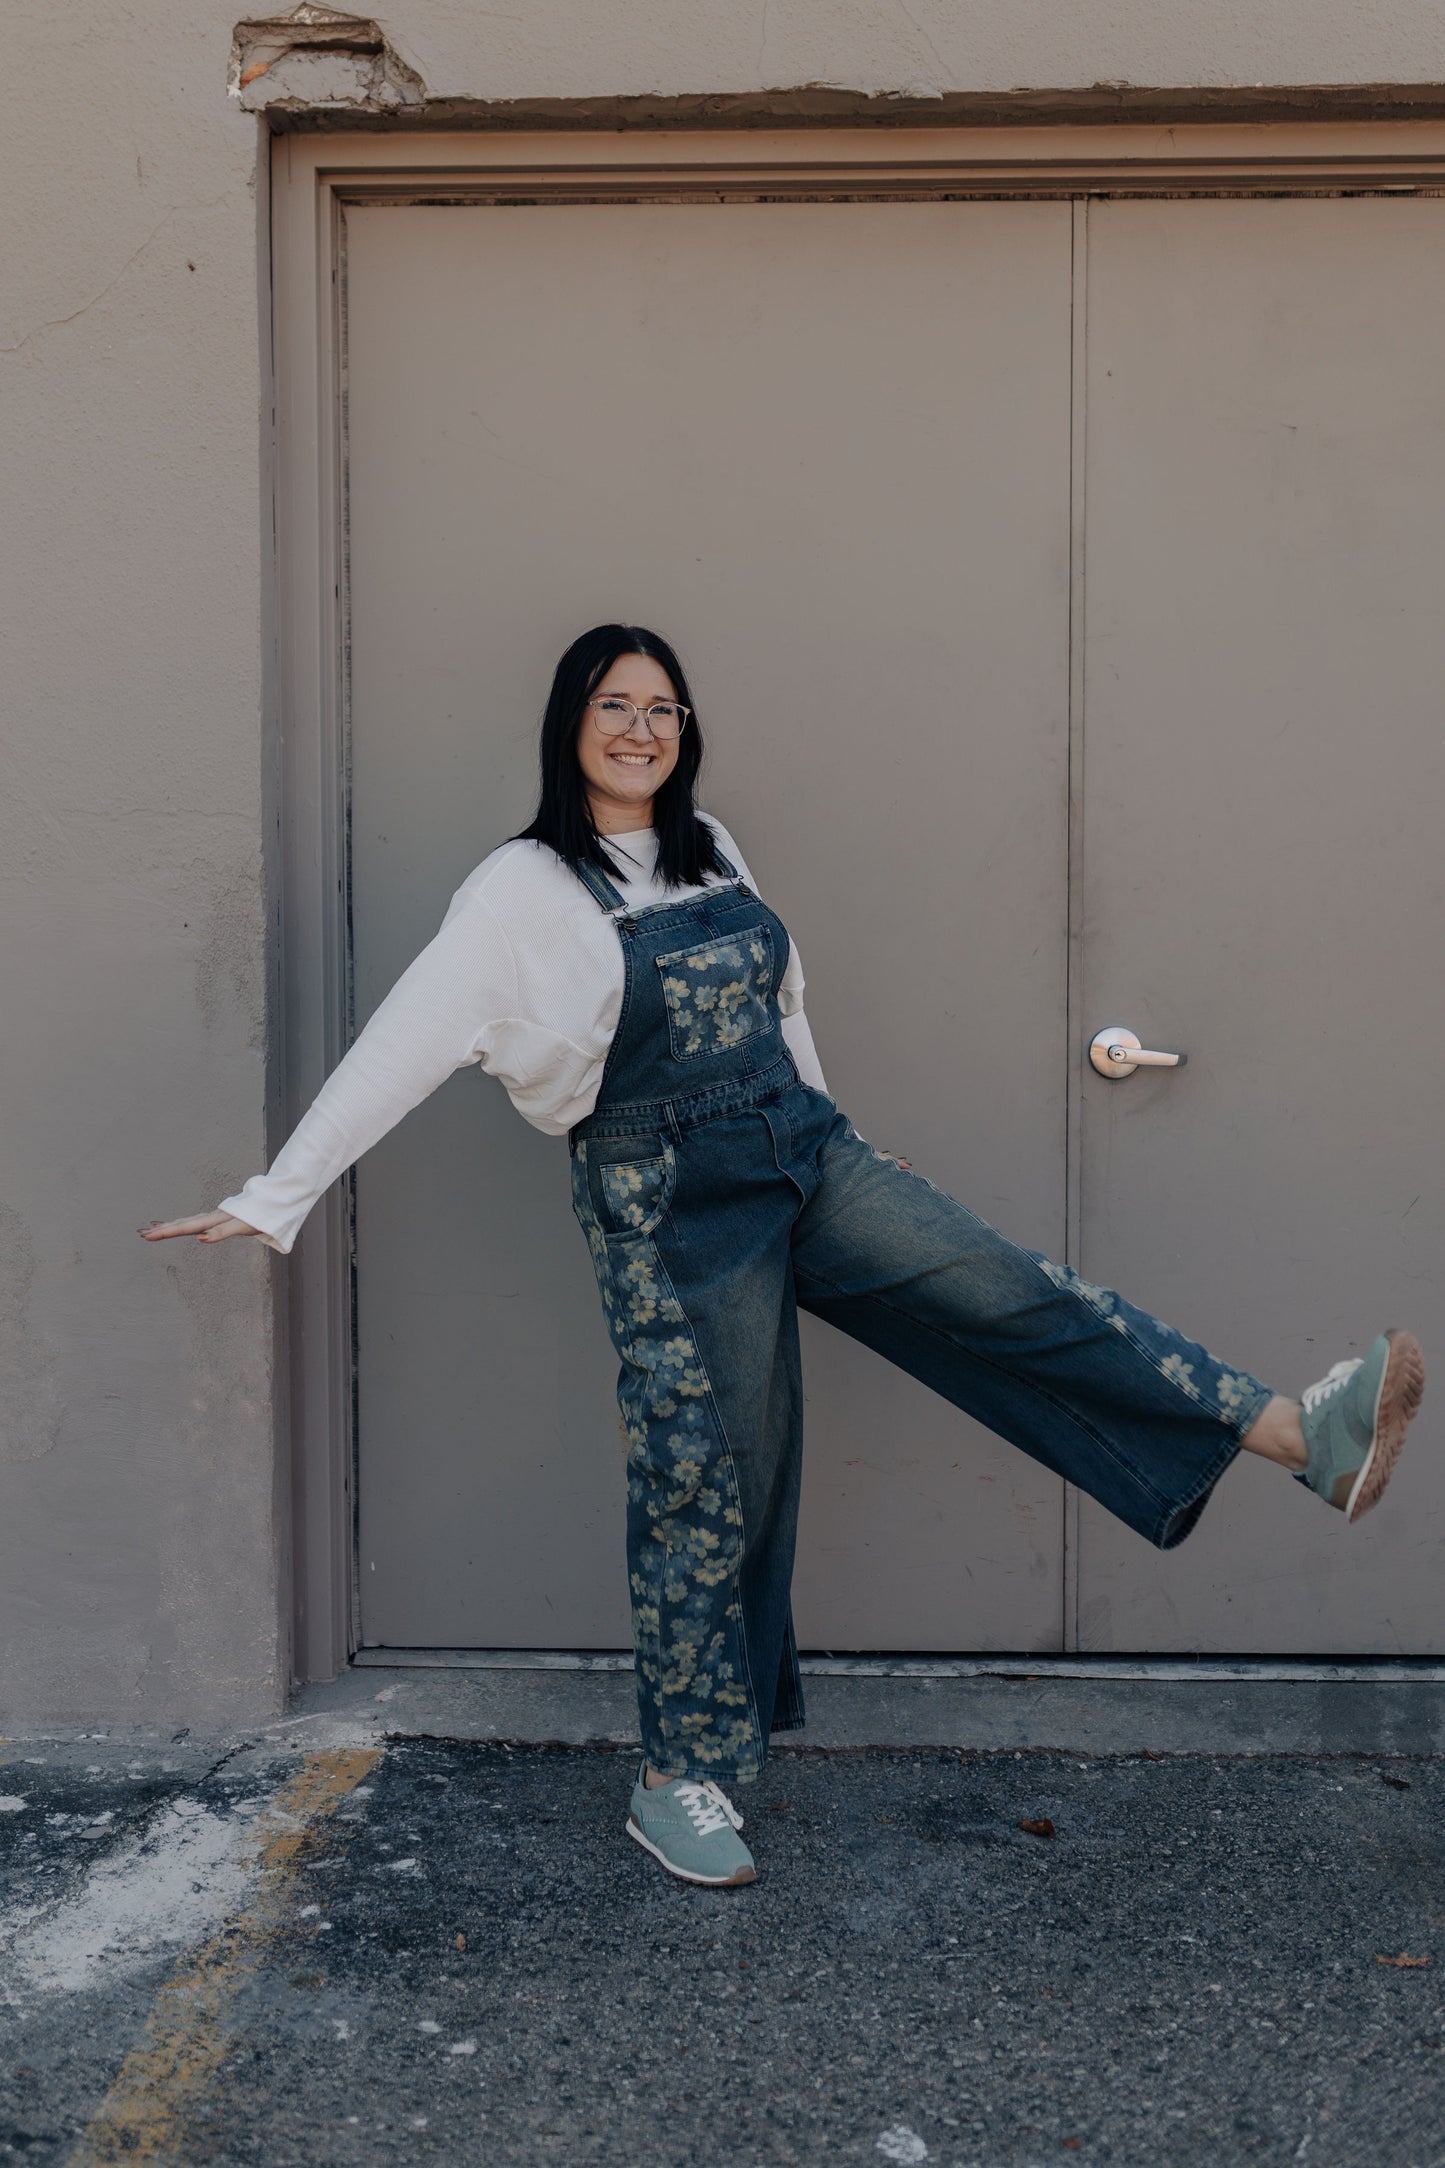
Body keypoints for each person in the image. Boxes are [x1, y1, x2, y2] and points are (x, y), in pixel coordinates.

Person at [143, 623, 1427, 1891]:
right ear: (567, 724)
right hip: (665, 1203)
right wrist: (276, 1195)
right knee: (711, 1474)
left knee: (1014, 1292)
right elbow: (402, 1045)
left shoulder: (711, 851)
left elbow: (784, 1004)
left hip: (802, 1148)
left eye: (663, 708)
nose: (641, 728)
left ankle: (1296, 1432)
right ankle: (672, 1775)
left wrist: (846, 1144)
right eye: (614, 705)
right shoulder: (520, 891)